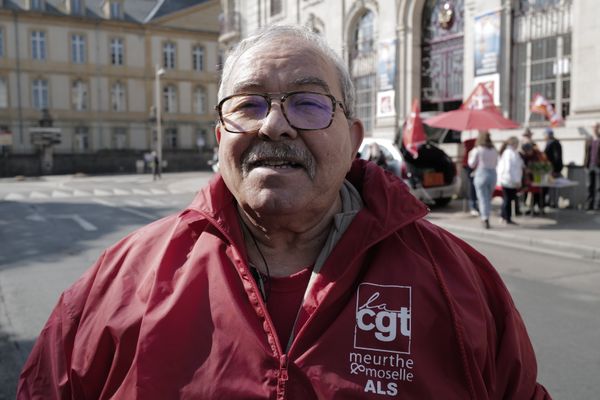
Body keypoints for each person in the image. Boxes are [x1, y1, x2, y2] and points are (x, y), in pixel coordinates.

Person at [18, 25, 551, 399]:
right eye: (248, 104)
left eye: (308, 103)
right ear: (219, 137)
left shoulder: (459, 283)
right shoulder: (118, 282)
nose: (274, 125)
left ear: (354, 140)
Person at [468, 131, 499, 229]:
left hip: (481, 172)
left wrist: (470, 155)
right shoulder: (494, 149)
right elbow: (496, 162)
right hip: (492, 173)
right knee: (488, 198)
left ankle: (484, 217)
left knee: (482, 198)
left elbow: (471, 164)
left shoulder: (478, 149)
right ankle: (486, 215)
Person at [497, 136, 524, 224]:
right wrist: (516, 180)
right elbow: (509, 168)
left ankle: (504, 216)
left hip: (510, 180)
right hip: (509, 180)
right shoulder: (509, 153)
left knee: (507, 199)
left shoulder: (512, 152)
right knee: (508, 200)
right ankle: (507, 218)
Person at [521, 142, 550, 215]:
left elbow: (545, 166)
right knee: (533, 192)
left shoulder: (539, 155)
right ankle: (532, 208)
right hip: (532, 177)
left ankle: (541, 208)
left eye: (527, 151)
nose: (526, 153)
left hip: (540, 177)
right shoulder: (526, 156)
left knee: (540, 192)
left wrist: (531, 170)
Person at [543, 128, 563, 208]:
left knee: (553, 186)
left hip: (553, 169)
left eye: (545, 135)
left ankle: (553, 203)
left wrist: (555, 169)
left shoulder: (553, 143)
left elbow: (556, 158)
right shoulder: (552, 143)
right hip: (551, 168)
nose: (544, 137)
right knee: (551, 186)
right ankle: (551, 202)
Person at [584, 123, 600, 210]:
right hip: (589, 165)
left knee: (598, 187)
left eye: (597, 127)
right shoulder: (589, 139)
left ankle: (597, 206)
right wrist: (585, 164)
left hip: (598, 166)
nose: (595, 129)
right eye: (594, 127)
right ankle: (589, 205)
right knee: (589, 186)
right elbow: (586, 153)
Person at [462, 137, 479, 216]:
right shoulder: (472, 142)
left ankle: (473, 205)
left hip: (469, 165)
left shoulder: (470, 142)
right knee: (471, 186)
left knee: (471, 186)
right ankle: (473, 206)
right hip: (471, 166)